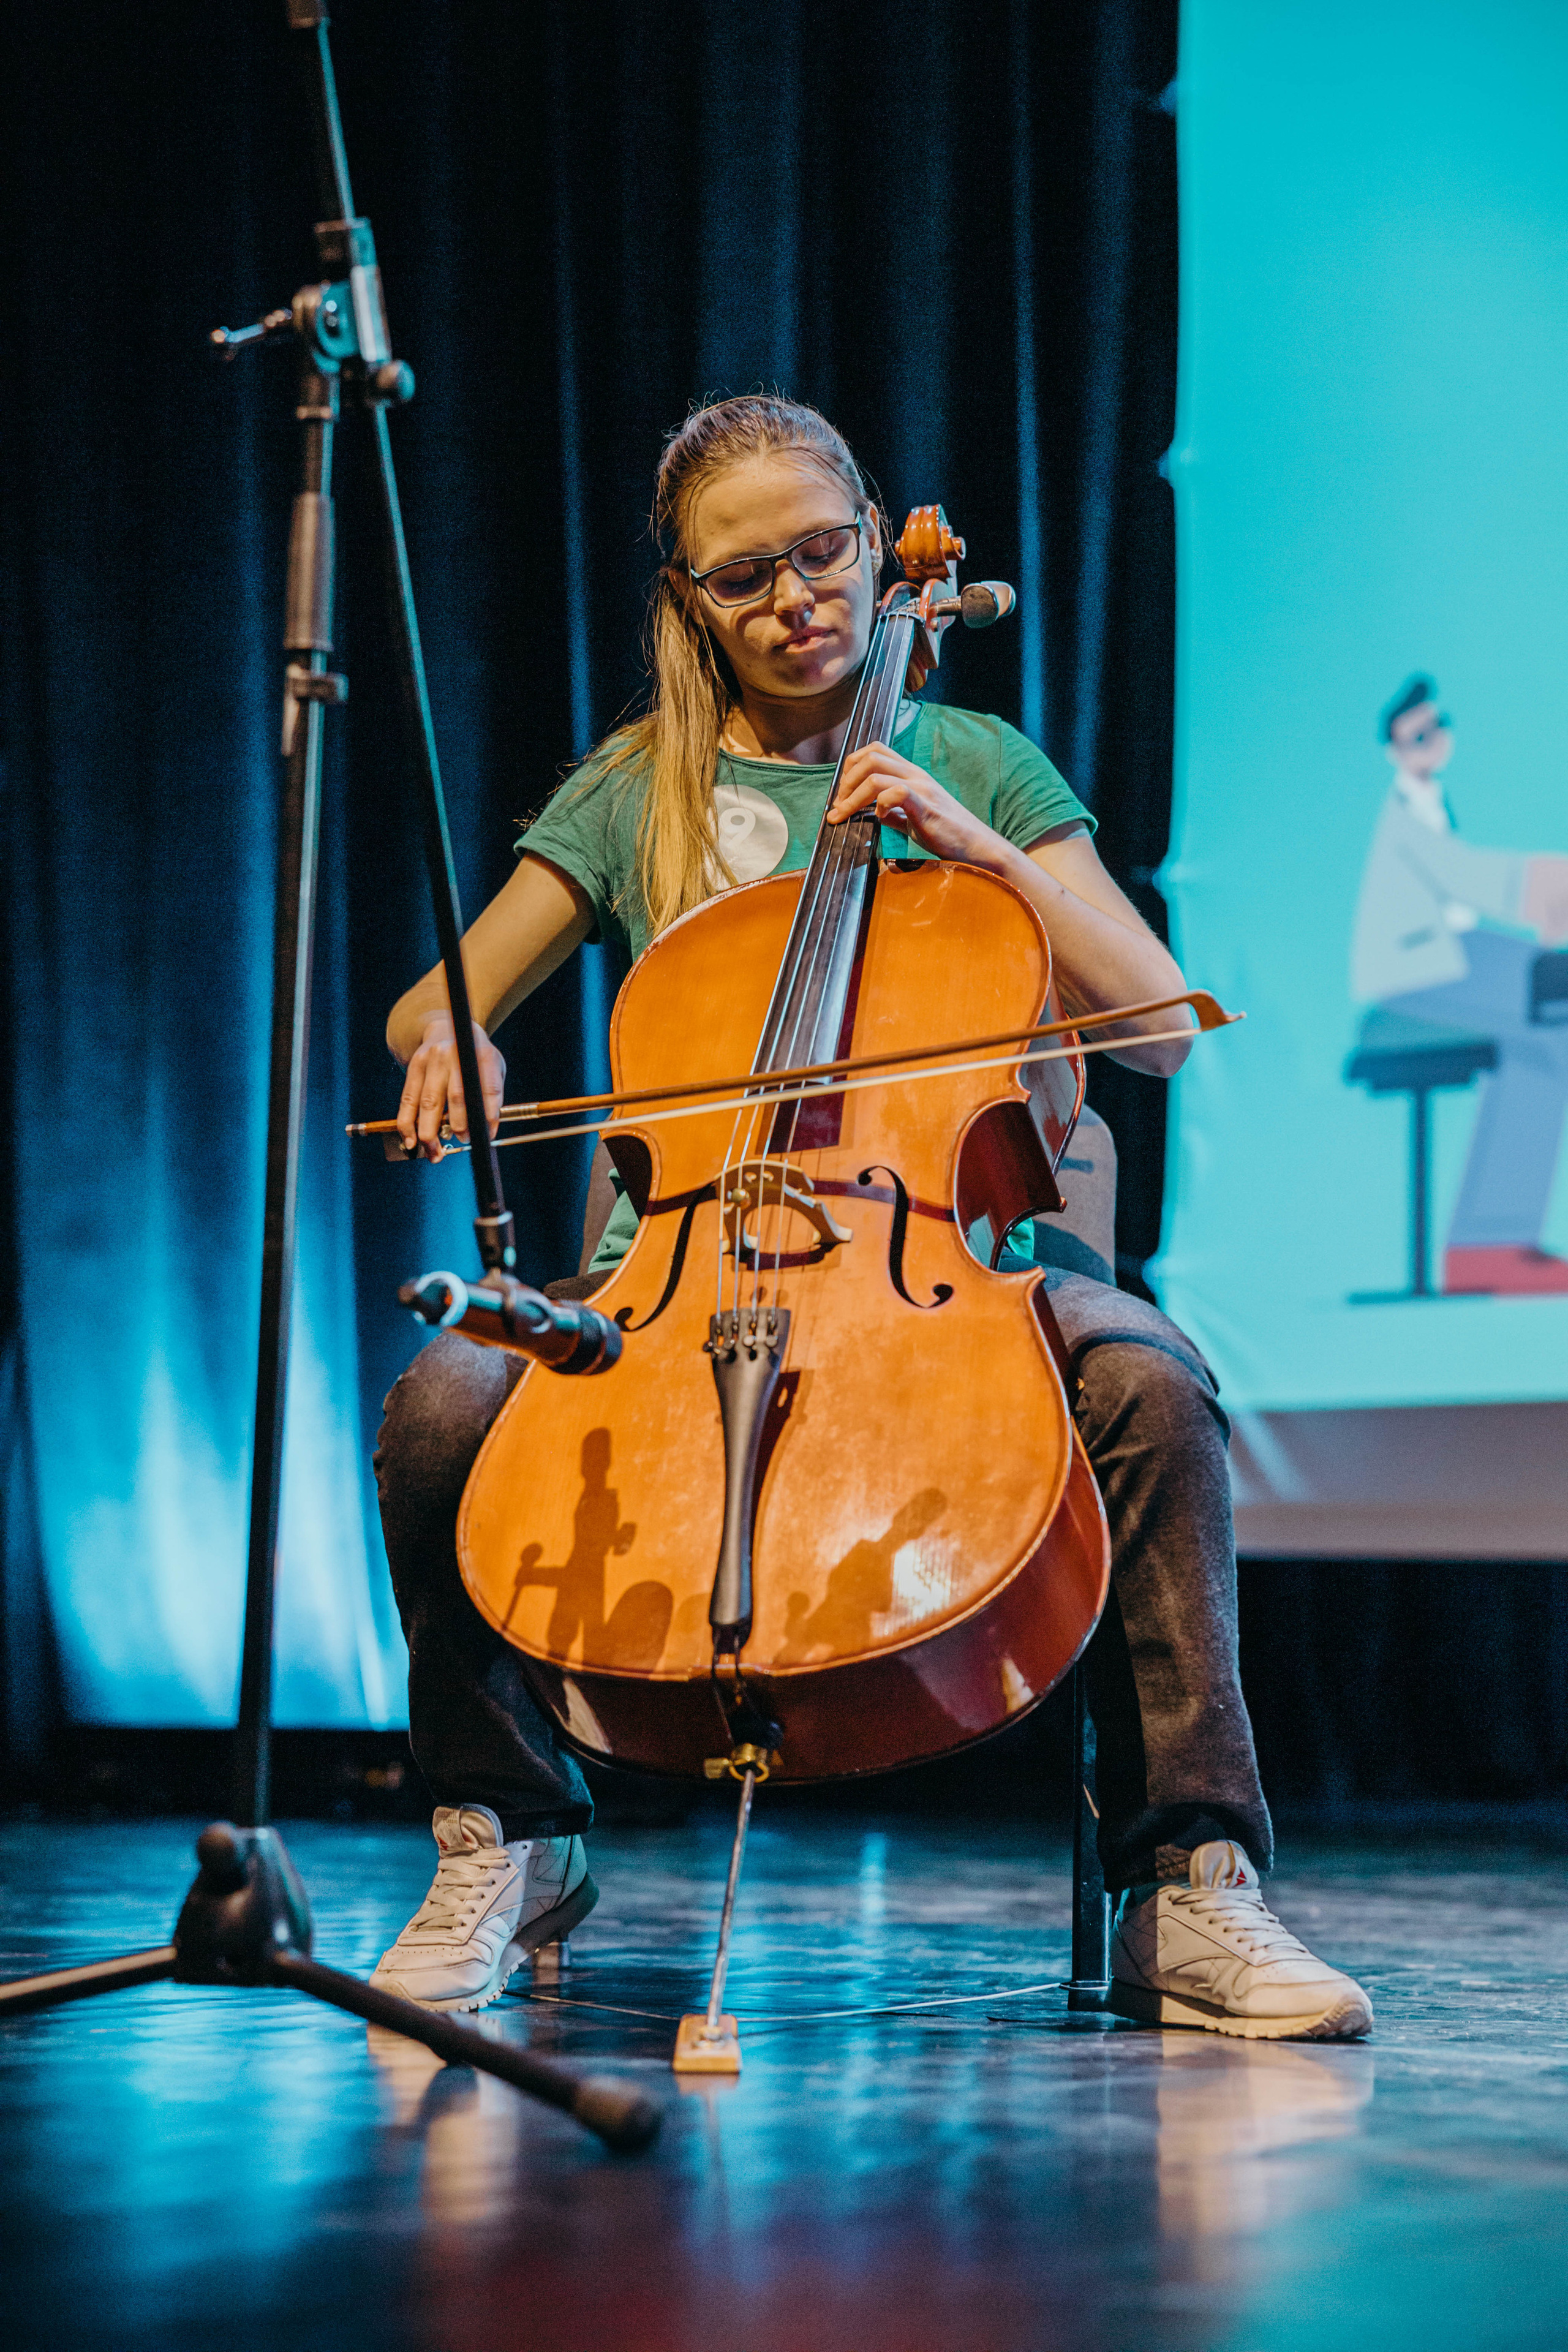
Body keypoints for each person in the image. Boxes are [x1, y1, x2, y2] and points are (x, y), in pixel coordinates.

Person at [369, 396, 1371, 2041]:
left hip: (940, 1258)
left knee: (1149, 1389)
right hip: (670, 1280)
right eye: (745, 572)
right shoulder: (640, 794)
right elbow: (435, 1008)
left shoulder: (977, 760)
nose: (798, 597)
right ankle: (510, 1841)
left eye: (824, 551)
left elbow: (1162, 1026)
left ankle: (1185, 1886)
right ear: (691, 598)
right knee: (447, 1405)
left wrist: (970, 842)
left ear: (874, 537)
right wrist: (456, 1039)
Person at [1352, 675, 1568, 1293]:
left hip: (1453, 956)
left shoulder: (1433, 802)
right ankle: (1489, 1244)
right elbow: (1466, 878)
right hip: (1415, 972)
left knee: (1547, 1044)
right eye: (1414, 737)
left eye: (1434, 730)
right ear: (1396, 749)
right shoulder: (1403, 817)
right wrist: (1546, 883)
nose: (1429, 744)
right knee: (1544, 987)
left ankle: (1491, 1245)